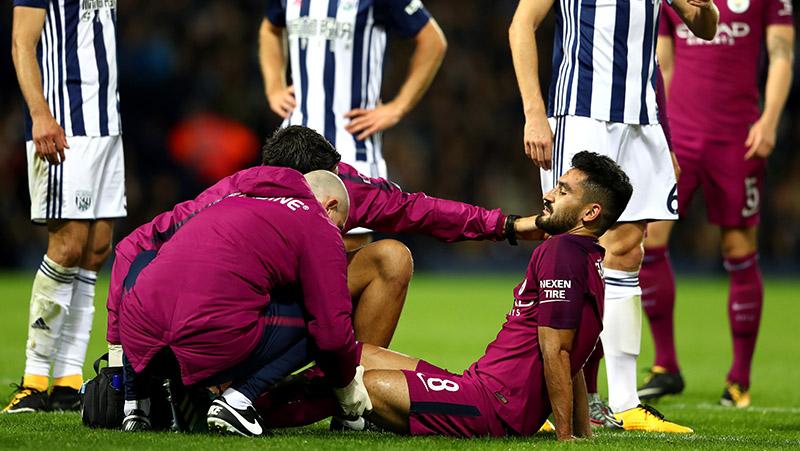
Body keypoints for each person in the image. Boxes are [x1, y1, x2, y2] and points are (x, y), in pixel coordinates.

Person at [252, 151, 631, 440]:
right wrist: (583, 434)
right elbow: (576, 355)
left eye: (563, 191)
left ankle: (257, 411)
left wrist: (566, 439)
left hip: (493, 406)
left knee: (356, 382)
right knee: (356, 354)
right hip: (478, 387)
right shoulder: (590, 259)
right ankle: (252, 400)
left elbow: (558, 352)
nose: (549, 195)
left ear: (590, 212)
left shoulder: (560, 251)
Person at [105, 125, 542, 365]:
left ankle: (343, 385)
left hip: (232, 313)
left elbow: (421, 212)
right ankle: (311, 386)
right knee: (354, 290)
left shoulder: (233, 190)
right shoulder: (272, 190)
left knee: (390, 257)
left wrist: (119, 347)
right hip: (241, 315)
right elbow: (420, 210)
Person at [508, 0, 719, 432]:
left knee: (627, 251)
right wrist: (533, 112)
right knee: (566, 253)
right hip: (582, 112)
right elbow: (521, 25)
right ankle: (547, 398)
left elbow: (704, 27)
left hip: (641, 118)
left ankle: (624, 403)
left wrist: (708, 7)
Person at [118, 169, 370, 436]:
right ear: (330, 205)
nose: (338, 236)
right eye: (339, 226)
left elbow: (138, 259)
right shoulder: (317, 220)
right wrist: (346, 389)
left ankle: (135, 407)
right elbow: (331, 332)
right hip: (205, 344)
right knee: (319, 317)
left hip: (142, 349)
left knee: (149, 272)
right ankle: (238, 402)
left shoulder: (230, 198)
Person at [638, 0, 795, 406]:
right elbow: (664, 65)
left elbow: (781, 54)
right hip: (682, 138)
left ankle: (739, 379)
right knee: (649, 239)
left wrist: (770, 120)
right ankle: (666, 365)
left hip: (737, 139)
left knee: (739, 247)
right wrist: (660, 133)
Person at [5, 0, 126, 413]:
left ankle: (68, 381)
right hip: (63, 123)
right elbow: (22, 43)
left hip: (107, 125)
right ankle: (34, 380)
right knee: (67, 247)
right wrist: (39, 114)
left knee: (95, 252)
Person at [259, 0, 447, 248]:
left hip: (351, 143)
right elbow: (270, 28)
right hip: (293, 145)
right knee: (281, 244)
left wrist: (398, 107)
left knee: (347, 249)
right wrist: (274, 86)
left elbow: (432, 40)